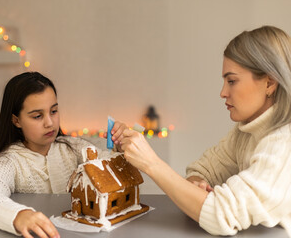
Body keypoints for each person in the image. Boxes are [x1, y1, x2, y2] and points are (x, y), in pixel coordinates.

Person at [120, 25, 291, 236]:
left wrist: (151, 163)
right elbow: (201, 170)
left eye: (232, 81)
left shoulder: (284, 145)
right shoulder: (245, 133)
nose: (223, 92)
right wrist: (196, 188)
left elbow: (221, 216)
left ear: (270, 82)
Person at [0, 72, 127, 238]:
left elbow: (111, 167)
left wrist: (121, 148)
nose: (50, 123)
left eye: (53, 111)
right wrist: (18, 215)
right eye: (37, 116)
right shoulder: (9, 161)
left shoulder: (74, 148)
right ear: (16, 120)